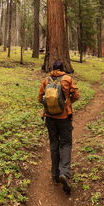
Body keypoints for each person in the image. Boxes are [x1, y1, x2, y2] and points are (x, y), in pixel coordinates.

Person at [38, 59, 80, 194]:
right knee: (66, 144)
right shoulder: (68, 79)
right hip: (64, 118)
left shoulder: (46, 80)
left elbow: (40, 98)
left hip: (50, 118)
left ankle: (55, 175)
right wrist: (68, 102)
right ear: (62, 68)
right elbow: (77, 95)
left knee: (54, 144)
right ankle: (65, 173)